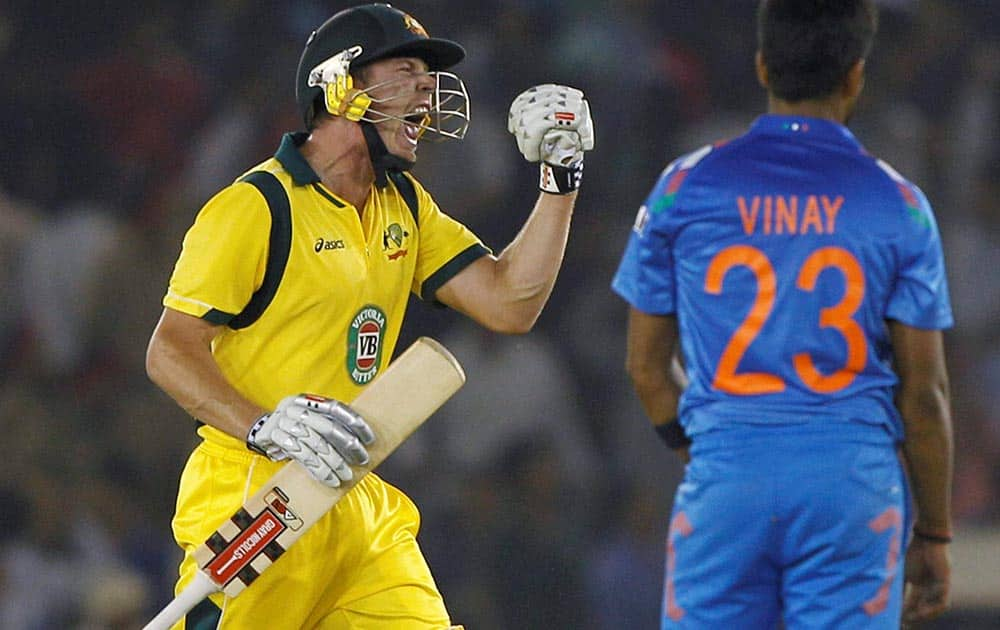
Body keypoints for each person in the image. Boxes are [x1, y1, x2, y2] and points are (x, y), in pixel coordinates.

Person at [145, 4, 594, 628]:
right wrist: (263, 426)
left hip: (356, 500)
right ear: (338, 84)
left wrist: (560, 182)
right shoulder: (257, 206)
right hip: (256, 494)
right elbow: (169, 350)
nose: (427, 90)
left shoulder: (404, 205)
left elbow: (510, 303)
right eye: (406, 69)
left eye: (428, 75)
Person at [611, 1, 953, 628]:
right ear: (856, 73)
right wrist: (933, 533)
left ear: (763, 66)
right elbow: (924, 395)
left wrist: (719, 452)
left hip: (727, 477)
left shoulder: (684, 188)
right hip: (852, 486)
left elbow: (646, 370)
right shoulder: (900, 205)